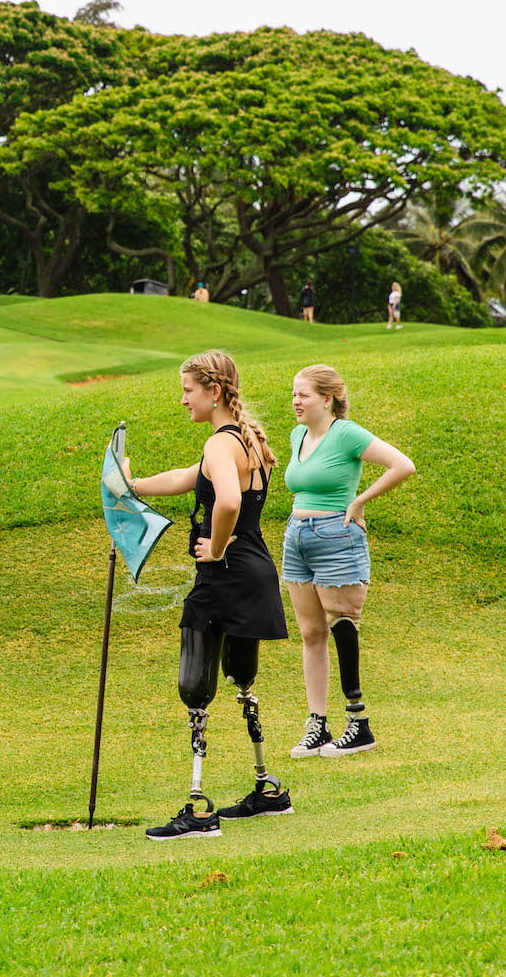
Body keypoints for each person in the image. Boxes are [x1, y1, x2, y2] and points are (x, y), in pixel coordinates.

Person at [125, 351, 292, 839]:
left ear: (213, 391)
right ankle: (266, 790)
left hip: (224, 577)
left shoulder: (221, 444)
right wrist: (132, 484)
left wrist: (215, 550)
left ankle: (198, 809)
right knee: (243, 678)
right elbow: (188, 479)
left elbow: (229, 501)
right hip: (256, 573)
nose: (183, 400)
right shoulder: (245, 440)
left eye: (188, 390)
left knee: (195, 689)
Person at [280, 365, 417, 757]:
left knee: (341, 624)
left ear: (327, 398)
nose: (295, 401)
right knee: (310, 633)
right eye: (294, 394)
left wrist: (358, 502)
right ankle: (317, 725)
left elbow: (402, 465)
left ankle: (358, 725)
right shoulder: (298, 435)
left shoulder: (347, 434)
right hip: (298, 538)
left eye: (303, 394)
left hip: (337, 538)